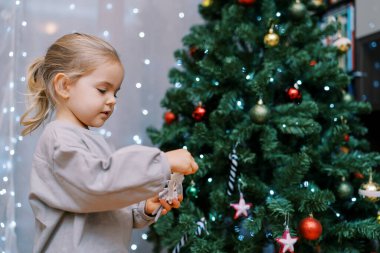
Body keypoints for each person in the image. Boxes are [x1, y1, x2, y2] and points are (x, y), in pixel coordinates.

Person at [20, 33, 199, 253]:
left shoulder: (92, 142)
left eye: (116, 92)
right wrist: (162, 162)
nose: (112, 100)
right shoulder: (59, 140)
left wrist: (143, 208)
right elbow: (96, 186)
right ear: (64, 86)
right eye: (103, 90)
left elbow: (106, 202)